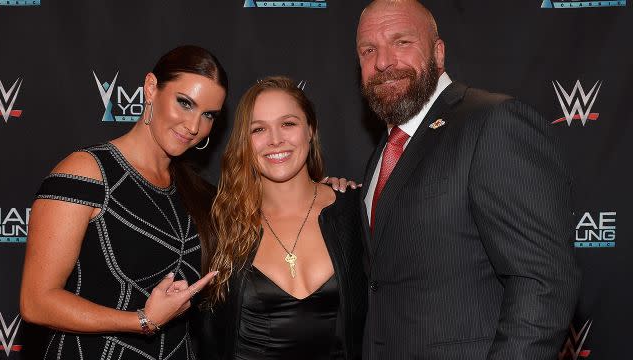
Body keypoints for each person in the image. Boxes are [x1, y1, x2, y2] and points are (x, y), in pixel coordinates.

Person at [355, 1, 581, 359]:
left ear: (438, 52)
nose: (383, 62)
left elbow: (543, 282)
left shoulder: (494, 123)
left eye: (401, 42)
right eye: (369, 50)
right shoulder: (381, 156)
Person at [19, 45, 225, 360]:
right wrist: (142, 320)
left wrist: (320, 192)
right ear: (152, 88)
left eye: (208, 114)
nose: (194, 126)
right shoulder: (86, 171)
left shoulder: (199, 193)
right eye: (184, 103)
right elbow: (37, 302)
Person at [199, 76, 367, 360]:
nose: (275, 139)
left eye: (288, 124)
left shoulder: (355, 212)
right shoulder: (220, 225)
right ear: (245, 142)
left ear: (310, 130)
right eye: (259, 129)